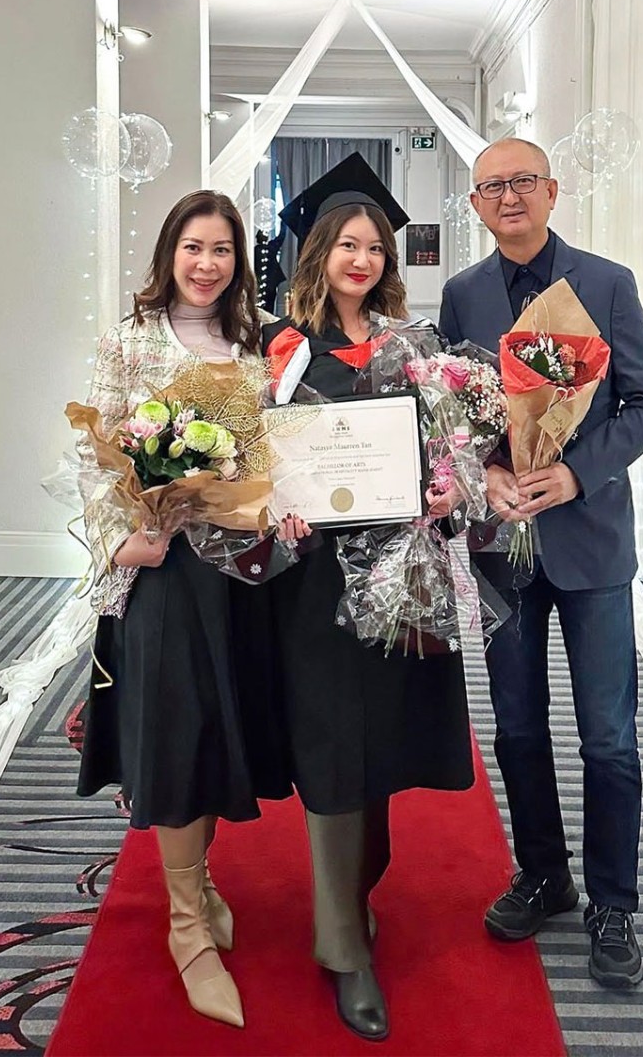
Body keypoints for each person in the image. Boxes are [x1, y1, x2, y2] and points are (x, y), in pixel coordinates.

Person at [439, 138, 643, 990]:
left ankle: (615, 902)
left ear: (552, 191)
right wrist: (487, 471)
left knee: (608, 739)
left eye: (522, 183)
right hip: (502, 544)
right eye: (491, 187)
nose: (508, 197)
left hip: (592, 545)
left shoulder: (605, 284)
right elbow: (452, 411)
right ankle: (545, 874)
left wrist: (573, 472)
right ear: (474, 205)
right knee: (516, 727)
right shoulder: (462, 294)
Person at [266, 168, 474, 1041]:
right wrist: (268, 502)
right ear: (320, 252)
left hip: (400, 577)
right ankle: (344, 950)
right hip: (314, 585)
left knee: (382, 745)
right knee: (332, 751)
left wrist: (444, 489)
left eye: (375, 246)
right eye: (347, 243)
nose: (362, 256)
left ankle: (358, 891)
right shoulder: (280, 348)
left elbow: (448, 449)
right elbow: (251, 463)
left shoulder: (409, 343)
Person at [76, 190, 292, 1028]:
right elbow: (92, 455)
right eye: (194, 248)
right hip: (162, 571)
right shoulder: (127, 342)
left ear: (240, 262)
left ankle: (198, 880)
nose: (207, 265)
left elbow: (274, 449)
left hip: (236, 574)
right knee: (174, 735)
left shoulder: (255, 344)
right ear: (170, 251)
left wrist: (282, 504)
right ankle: (185, 923)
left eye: (224, 251)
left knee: (214, 732)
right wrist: (123, 535)